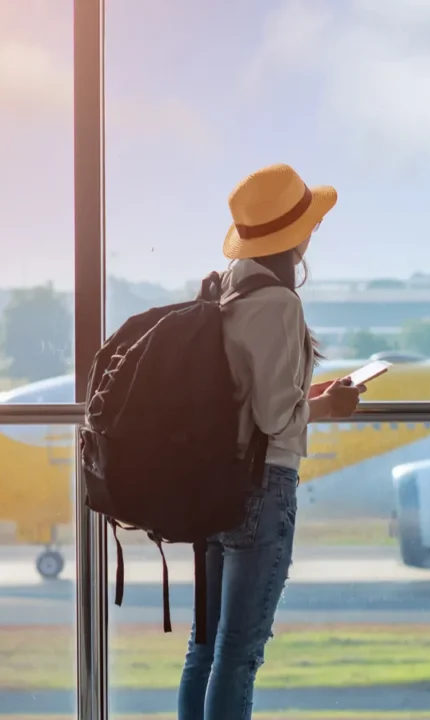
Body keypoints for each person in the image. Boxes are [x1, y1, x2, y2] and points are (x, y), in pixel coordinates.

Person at [178, 163, 363, 720]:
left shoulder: (221, 293)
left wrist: (305, 394)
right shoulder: (279, 304)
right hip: (262, 489)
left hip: (212, 486)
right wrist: (329, 405)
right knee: (239, 656)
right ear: (297, 236)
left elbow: (243, 397)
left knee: (205, 649)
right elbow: (274, 416)